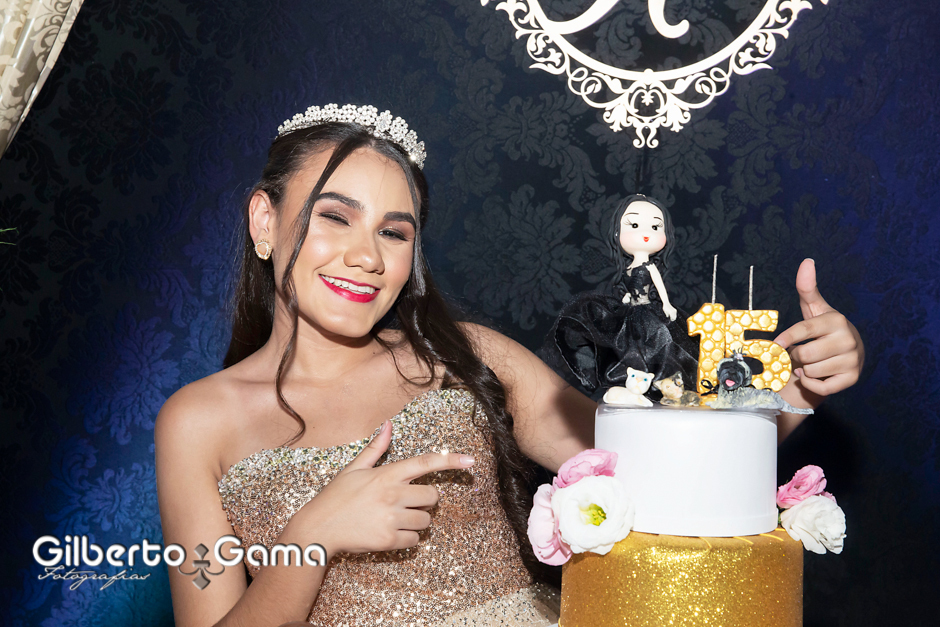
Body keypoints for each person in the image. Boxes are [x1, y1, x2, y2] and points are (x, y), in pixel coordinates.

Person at [155, 104, 864, 627]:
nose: (366, 255)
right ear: (265, 220)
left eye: (394, 232)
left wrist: (799, 388)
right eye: (334, 216)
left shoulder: (466, 357)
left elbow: (673, 477)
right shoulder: (197, 423)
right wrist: (313, 537)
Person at [545, 194, 699, 394]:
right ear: (617, 232)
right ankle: (632, 383)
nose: (646, 233)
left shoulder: (650, 266)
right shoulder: (627, 268)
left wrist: (666, 304)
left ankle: (657, 385)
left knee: (658, 344)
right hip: (630, 312)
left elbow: (660, 287)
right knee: (627, 347)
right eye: (634, 225)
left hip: (649, 312)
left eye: (655, 227)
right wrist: (627, 297)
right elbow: (629, 287)